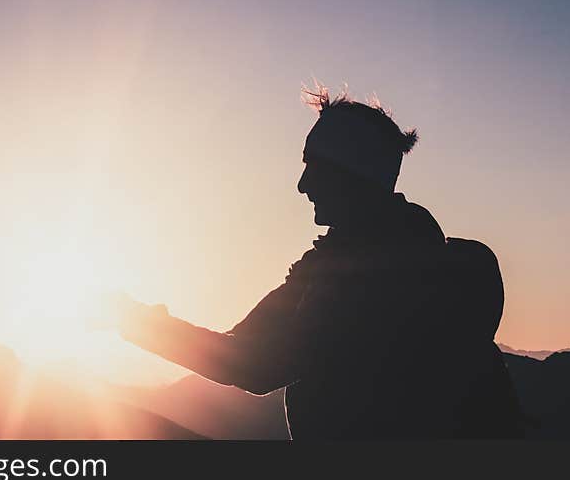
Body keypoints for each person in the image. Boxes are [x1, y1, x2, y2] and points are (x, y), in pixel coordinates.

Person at [105, 88, 523, 439]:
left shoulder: (357, 277)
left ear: (351, 175)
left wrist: (133, 321)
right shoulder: (422, 259)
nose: (302, 185)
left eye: (314, 167)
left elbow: (251, 364)